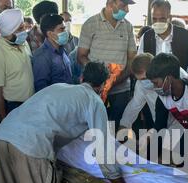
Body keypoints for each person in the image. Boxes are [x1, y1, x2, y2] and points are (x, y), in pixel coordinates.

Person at [77, 0, 137, 131]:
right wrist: (99, 77)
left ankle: (113, 151)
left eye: (128, 6)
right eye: (123, 6)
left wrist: (116, 79)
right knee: (93, 127)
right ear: (110, 4)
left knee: (116, 128)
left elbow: (132, 58)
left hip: (121, 89)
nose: (127, 10)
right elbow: (81, 56)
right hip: (95, 88)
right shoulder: (90, 24)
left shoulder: (128, 26)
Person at [146, 53, 188, 163]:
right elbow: (159, 128)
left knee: (186, 159)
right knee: (178, 156)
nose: (155, 88)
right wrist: (149, 158)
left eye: (156, 83)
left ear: (168, 78)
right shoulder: (162, 99)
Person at [0, 8, 34, 121]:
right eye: (20, 28)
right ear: (8, 31)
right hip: (11, 107)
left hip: (28, 103)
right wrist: (4, 119)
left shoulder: (23, 43)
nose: (24, 32)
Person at [138, 0, 188, 73]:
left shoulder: (184, 36)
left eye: (162, 19)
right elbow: (140, 62)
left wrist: (184, 79)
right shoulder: (146, 37)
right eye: (154, 19)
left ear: (170, 17)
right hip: (151, 83)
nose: (158, 22)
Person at [32, 13, 73, 92]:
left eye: (64, 28)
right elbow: (41, 90)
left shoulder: (62, 49)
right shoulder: (42, 56)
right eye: (62, 29)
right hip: (55, 102)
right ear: (50, 34)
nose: (65, 32)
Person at [120, 53, 158, 130]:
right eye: (140, 79)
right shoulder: (141, 84)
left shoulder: (171, 78)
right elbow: (134, 106)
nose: (144, 82)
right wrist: (123, 125)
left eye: (145, 78)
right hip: (159, 125)